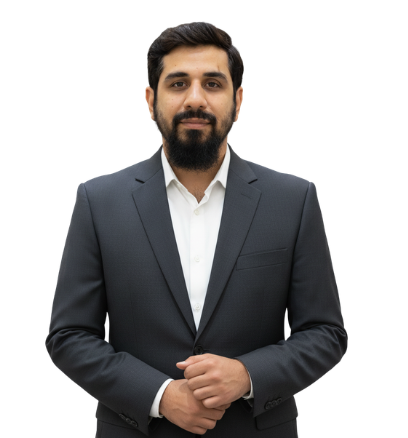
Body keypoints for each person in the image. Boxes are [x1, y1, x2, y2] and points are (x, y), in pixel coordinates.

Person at [46, 22, 347, 438]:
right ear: (151, 100)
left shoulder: (293, 201)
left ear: (237, 101)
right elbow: (69, 336)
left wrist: (247, 374)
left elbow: (325, 333)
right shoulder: (99, 202)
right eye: (177, 84)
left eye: (212, 83)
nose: (194, 99)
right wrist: (159, 395)